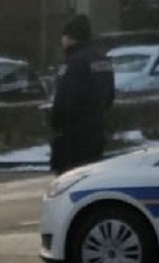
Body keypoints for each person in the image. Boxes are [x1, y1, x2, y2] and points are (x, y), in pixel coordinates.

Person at [49, 14, 115, 175]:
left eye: (63, 36)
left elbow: (63, 102)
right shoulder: (103, 60)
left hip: (73, 138)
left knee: (69, 183)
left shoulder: (73, 63)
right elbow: (109, 97)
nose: (61, 41)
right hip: (96, 132)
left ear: (72, 37)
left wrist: (55, 123)